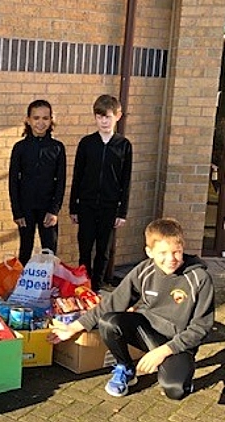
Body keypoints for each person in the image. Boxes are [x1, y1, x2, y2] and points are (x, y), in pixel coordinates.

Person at [49, 218, 214, 400]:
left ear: (183, 248)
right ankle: (126, 368)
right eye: (163, 253)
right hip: (148, 332)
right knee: (110, 322)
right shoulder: (144, 270)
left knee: (175, 390)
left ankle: (177, 370)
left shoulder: (199, 278)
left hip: (178, 342)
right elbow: (112, 303)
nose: (171, 259)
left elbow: (201, 328)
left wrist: (164, 351)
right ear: (149, 252)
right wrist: (73, 328)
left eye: (177, 252)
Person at [69, 94, 132, 291]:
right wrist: (74, 206)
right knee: (85, 247)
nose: (104, 121)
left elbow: (126, 180)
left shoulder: (124, 145)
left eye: (108, 116)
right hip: (86, 205)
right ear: (95, 117)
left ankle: (96, 286)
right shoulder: (87, 144)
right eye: (100, 116)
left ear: (118, 116)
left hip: (110, 206)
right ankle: (83, 285)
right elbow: (77, 176)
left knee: (104, 250)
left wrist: (122, 212)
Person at [8, 99, 67, 265]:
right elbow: (13, 181)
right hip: (25, 208)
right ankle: (23, 287)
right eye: (36, 118)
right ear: (28, 120)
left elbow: (60, 181)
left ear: (51, 120)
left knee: (50, 250)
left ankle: (47, 286)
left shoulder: (57, 147)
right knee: (25, 249)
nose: (41, 123)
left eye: (45, 118)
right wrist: (17, 211)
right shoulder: (20, 148)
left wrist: (54, 210)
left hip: (48, 208)